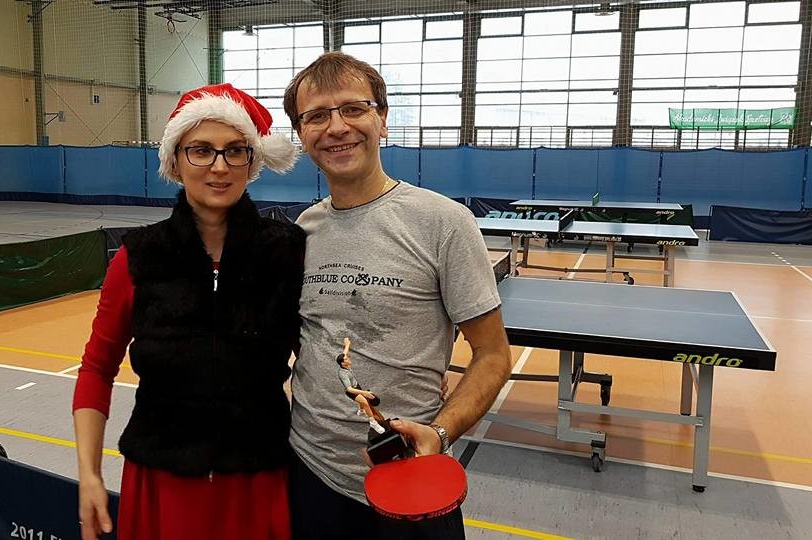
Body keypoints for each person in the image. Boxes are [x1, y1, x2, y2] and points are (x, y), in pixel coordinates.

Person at [283, 52, 513, 539]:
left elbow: (492, 354)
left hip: (411, 481)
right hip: (308, 473)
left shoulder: (444, 223)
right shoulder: (304, 228)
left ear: (382, 119)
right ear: (301, 135)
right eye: (316, 116)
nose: (336, 127)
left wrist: (440, 432)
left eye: (354, 109)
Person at [72, 83, 305, 540]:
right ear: (175, 161)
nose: (219, 166)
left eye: (234, 150)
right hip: (162, 488)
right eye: (201, 150)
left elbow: (320, 363)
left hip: (257, 486)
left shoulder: (287, 253)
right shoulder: (137, 258)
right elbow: (97, 369)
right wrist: (90, 474)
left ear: (252, 161)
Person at [336, 337, 386, 435]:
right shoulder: (342, 374)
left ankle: (361, 410)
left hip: (356, 386)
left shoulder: (344, 363)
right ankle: (373, 423)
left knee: (362, 401)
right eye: (346, 359)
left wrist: (347, 344)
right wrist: (365, 392)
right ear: (342, 363)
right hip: (352, 391)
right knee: (365, 402)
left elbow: (345, 352)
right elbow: (349, 389)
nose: (348, 359)